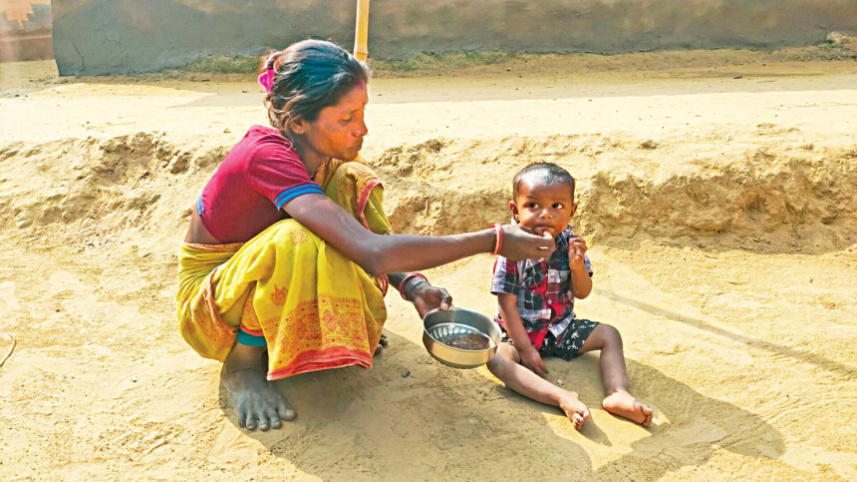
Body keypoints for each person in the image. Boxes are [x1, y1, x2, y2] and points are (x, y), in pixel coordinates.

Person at [176, 39, 555, 431]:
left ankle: (333, 326)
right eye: (346, 119)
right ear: (298, 122)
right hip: (211, 304)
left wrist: (413, 285)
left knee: (352, 181)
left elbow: (356, 235)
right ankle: (241, 366)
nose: (363, 129)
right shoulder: (265, 156)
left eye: (362, 113)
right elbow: (370, 251)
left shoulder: (317, 156)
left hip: (251, 273)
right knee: (293, 239)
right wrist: (493, 240)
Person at [486, 163, 653, 430]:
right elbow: (506, 303)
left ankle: (617, 392)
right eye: (533, 205)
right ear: (514, 210)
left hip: (560, 331)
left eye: (557, 207)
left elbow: (582, 292)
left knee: (610, 334)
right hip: (517, 335)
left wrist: (577, 267)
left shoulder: (570, 243)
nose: (546, 215)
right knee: (496, 359)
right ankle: (559, 396)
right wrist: (526, 349)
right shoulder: (512, 248)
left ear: (572, 210)